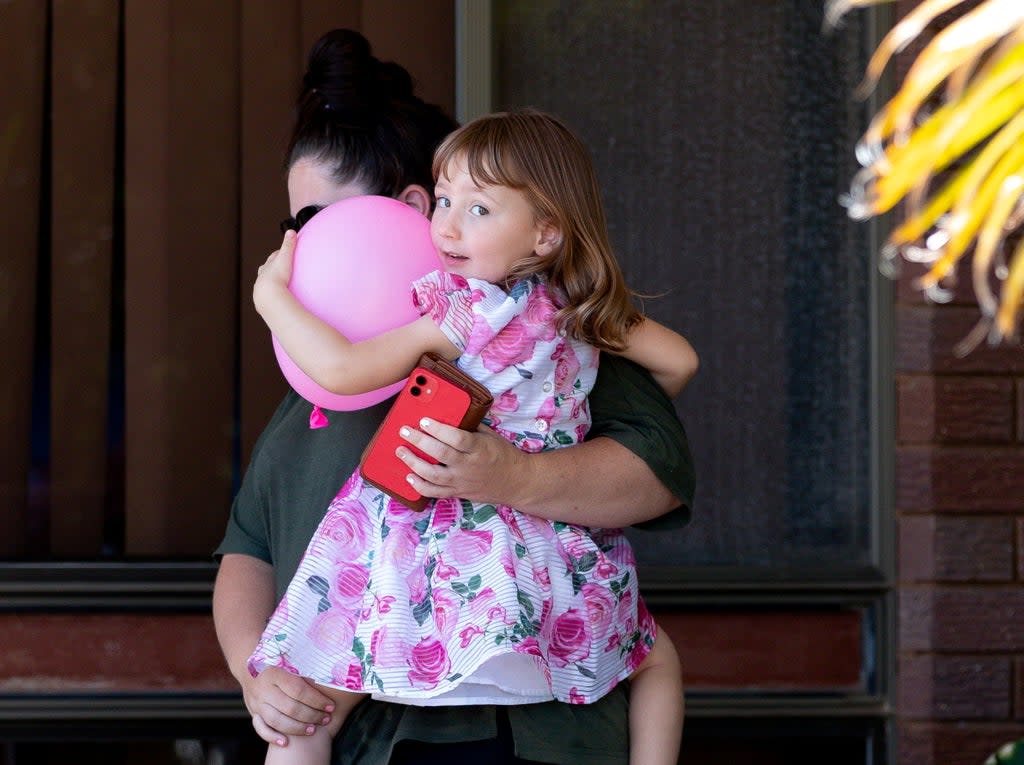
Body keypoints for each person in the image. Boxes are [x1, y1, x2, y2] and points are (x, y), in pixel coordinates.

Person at [212, 29, 696, 765]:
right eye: (293, 224)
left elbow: (655, 467)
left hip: (519, 720)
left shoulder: (463, 316)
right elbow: (248, 546)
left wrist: (270, 296)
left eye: (314, 222)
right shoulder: (566, 313)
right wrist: (257, 670)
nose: (297, 245)